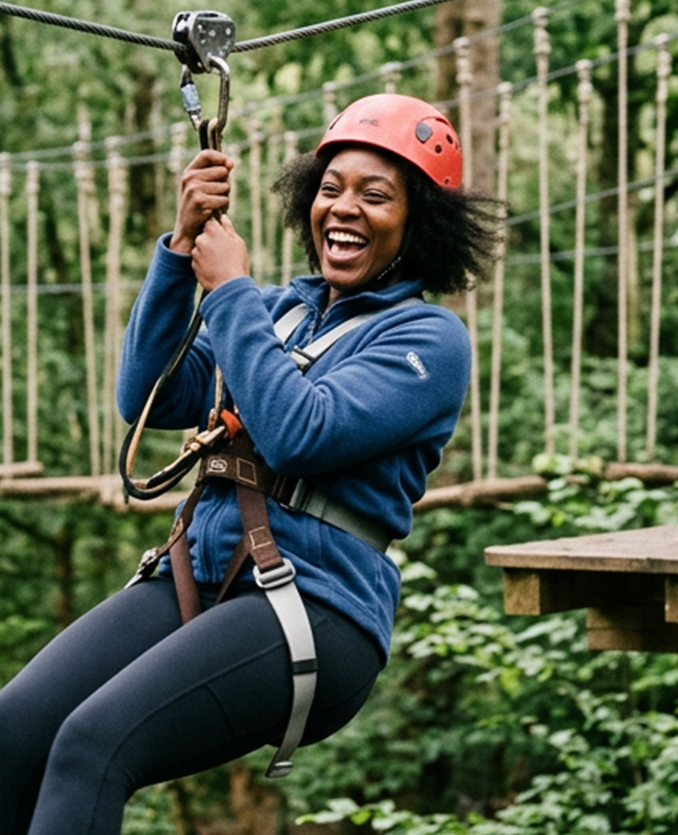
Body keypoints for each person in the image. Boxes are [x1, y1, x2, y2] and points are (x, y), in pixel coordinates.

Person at [0, 92, 504, 835]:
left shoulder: (427, 341)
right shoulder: (277, 314)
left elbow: (302, 432)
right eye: (330, 189)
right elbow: (149, 396)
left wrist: (231, 290)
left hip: (317, 606)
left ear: (417, 221)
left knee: (92, 744)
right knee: (16, 730)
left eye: (375, 195)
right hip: (199, 574)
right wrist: (180, 252)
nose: (344, 209)